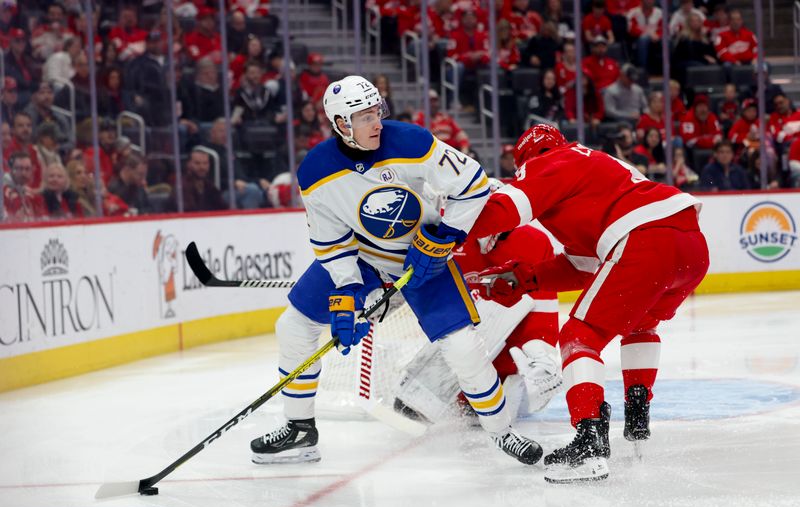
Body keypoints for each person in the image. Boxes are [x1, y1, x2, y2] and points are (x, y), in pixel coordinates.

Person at [250, 75, 543, 466]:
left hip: (425, 258)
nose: (376, 123)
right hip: (362, 254)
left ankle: (502, 431)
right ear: (340, 124)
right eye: (364, 116)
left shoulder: (411, 141)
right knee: (293, 326)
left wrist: (444, 236)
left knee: (461, 347)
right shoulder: (316, 171)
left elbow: (473, 184)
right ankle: (300, 430)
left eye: (377, 111)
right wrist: (347, 293)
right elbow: (331, 243)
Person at [471, 123, 709, 483]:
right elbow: (584, 265)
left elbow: (507, 210)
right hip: (690, 244)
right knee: (641, 323)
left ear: (525, 159)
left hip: (645, 239)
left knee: (578, 336)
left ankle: (590, 444)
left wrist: (445, 225)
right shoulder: (597, 165)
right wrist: (525, 280)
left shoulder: (546, 163)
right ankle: (637, 416)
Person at [2, 151, 46, 222]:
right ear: (11, 169)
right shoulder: (2, 192)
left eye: (27, 169)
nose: (23, 173)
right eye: (19, 168)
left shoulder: (30, 193)